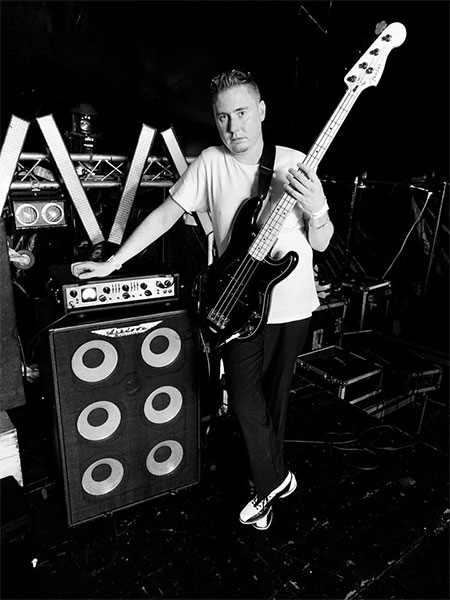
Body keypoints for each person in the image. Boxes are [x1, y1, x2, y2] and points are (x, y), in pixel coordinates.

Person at [71, 69, 334, 530]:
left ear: (261, 111)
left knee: (274, 403)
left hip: (290, 306)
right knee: (246, 401)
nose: (234, 127)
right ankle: (277, 478)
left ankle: (264, 492)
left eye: (242, 113)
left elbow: (323, 241)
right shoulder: (211, 162)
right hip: (235, 305)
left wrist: (317, 209)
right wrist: (114, 262)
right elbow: (166, 214)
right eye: (223, 117)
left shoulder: (297, 162)